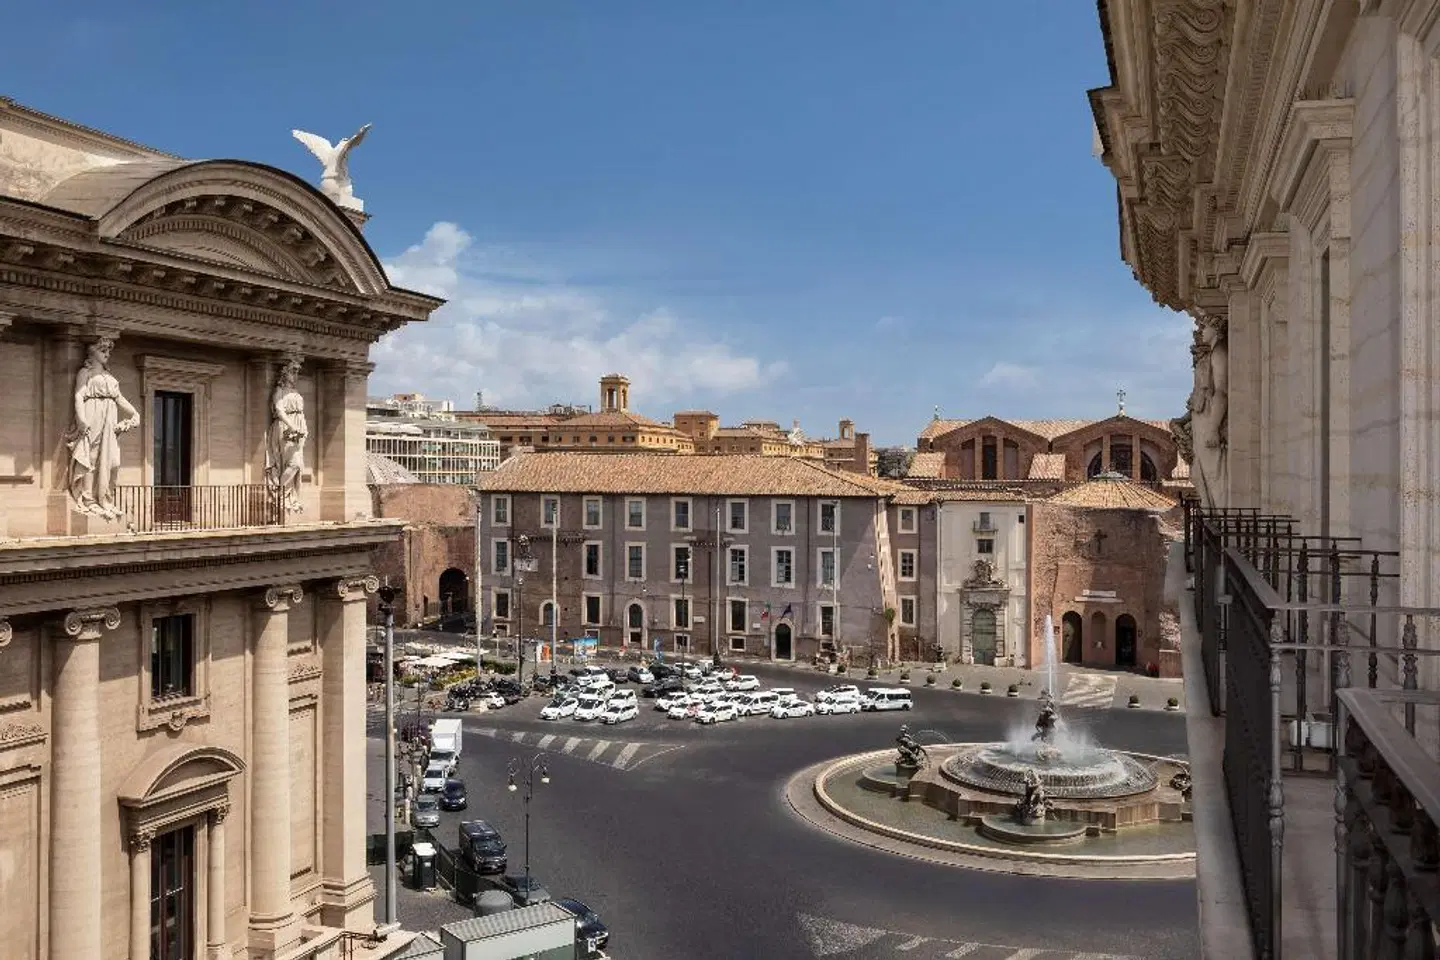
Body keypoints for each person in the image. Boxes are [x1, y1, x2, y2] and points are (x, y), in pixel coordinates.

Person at [64, 336, 140, 519]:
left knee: (112, 461)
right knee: (91, 458)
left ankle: (105, 499)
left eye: (108, 351)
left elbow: (119, 398)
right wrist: (81, 419)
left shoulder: (110, 377)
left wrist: (134, 413)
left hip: (109, 418)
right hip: (93, 414)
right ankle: (90, 500)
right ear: (92, 353)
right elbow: (78, 396)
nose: (107, 354)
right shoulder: (86, 372)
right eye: (103, 350)